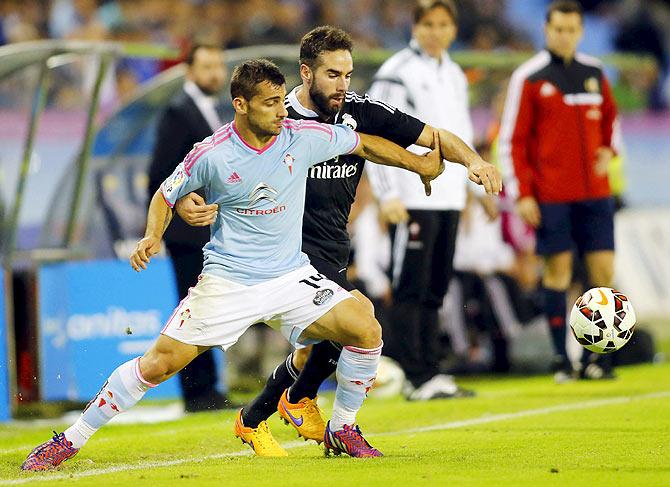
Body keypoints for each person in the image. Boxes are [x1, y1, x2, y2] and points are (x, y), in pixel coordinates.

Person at [21, 58, 446, 470]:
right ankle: (69, 440)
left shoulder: (301, 136)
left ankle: (343, 427)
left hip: (289, 276)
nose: (282, 112)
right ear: (240, 105)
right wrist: (153, 236)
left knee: (365, 326)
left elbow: (365, 143)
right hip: (229, 281)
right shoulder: (211, 153)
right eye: (269, 104)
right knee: (157, 365)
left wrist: (420, 163)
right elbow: (166, 194)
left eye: (282, 101)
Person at [177, 26, 501, 455]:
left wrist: (474, 162)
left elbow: (433, 136)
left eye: (347, 74)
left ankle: (255, 417)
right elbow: (221, 162)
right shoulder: (273, 115)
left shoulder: (359, 110)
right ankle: (321, 415)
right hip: (286, 251)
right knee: (358, 323)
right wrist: (186, 202)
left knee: (325, 344)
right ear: (305, 73)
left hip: (334, 244)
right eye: (333, 74)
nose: (343, 85)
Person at [365, 0, 486, 399]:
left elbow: (461, 131)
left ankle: (431, 371)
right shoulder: (397, 73)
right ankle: (413, 374)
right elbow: (374, 135)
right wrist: (386, 195)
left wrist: (472, 185)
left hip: (448, 197)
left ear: (452, 30)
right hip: (413, 195)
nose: (436, 31)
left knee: (435, 287)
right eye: (428, 24)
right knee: (410, 288)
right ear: (415, 27)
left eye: (443, 24)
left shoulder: (453, 73)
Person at [498, 0, 619, 382]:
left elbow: (612, 123)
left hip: (596, 193)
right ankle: (559, 359)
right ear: (546, 31)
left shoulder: (596, 73)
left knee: (602, 275)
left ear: (580, 32)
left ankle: (597, 358)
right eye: (558, 30)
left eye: (571, 30)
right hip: (551, 195)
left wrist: (608, 150)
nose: (564, 36)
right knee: (558, 274)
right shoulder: (529, 77)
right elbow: (511, 141)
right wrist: (523, 194)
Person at [147, 43, 233, 413]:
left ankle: (209, 388)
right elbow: (160, 172)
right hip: (187, 233)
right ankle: (197, 393)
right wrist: (178, 207)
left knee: (207, 311)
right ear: (189, 72)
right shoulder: (178, 112)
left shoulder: (216, 110)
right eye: (207, 66)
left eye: (218, 65)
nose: (215, 73)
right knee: (192, 312)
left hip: (212, 231)